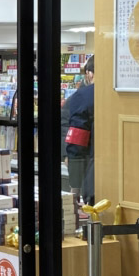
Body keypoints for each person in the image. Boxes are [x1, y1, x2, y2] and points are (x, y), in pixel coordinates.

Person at [62, 56, 95, 205]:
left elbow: (78, 137)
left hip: (92, 166)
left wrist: (75, 184)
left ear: (89, 74)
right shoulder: (124, 94)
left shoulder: (83, 96)